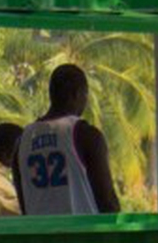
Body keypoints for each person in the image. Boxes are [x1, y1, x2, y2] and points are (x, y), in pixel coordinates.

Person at [15, 64, 121, 215]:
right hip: (81, 236)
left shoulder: (22, 141)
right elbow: (107, 201)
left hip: (39, 236)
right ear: (77, 94)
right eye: (86, 95)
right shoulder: (85, 135)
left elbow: (24, 204)